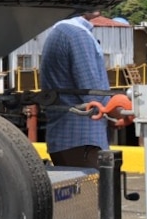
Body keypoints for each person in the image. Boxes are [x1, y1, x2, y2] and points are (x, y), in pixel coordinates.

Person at [40, 10, 110, 168]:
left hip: (69, 139)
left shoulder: (62, 31)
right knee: (97, 191)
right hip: (82, 139)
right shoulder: (77, 35)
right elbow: (94, 95)